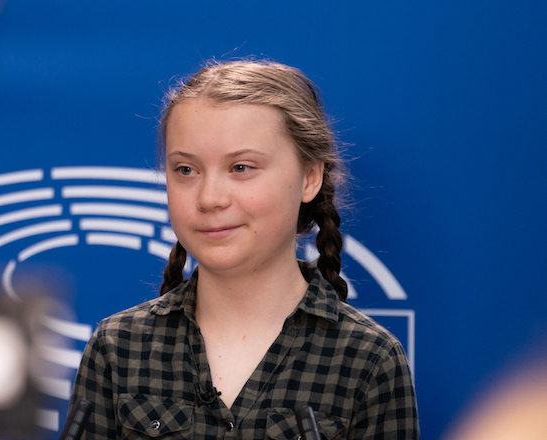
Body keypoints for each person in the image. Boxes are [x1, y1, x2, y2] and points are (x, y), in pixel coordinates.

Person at [67, 59, 419, 439]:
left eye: (241, 168)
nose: (209, 198)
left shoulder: (368, 360)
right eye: (186, 170)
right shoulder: (117, 347)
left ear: (310, 177)